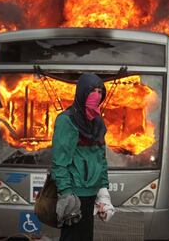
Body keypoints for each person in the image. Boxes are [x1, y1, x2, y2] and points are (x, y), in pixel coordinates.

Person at [51, 73, 114, 241]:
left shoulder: (97, 122)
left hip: (91, 194)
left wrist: (103, 193)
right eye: (92, 91)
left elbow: (100, 158)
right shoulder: (67, 121)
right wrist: (66, 193)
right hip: (74, 194)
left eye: (100, 91)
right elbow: (59, 162)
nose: (97, 95)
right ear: (82, 92)